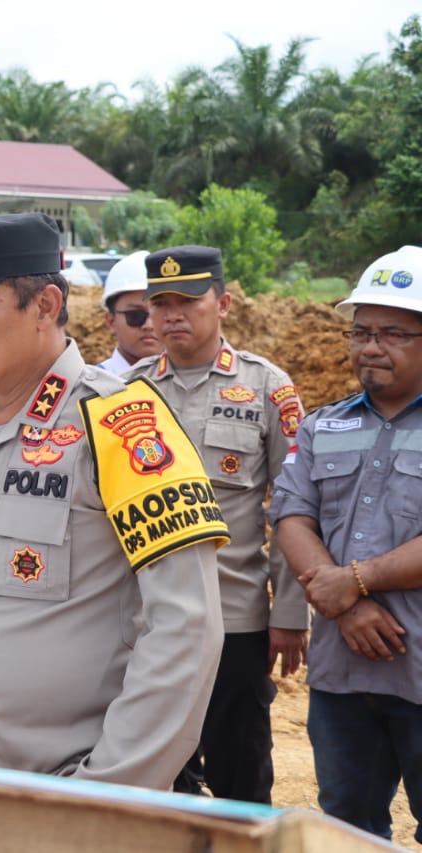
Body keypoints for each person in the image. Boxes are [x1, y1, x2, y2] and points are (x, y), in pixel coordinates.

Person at [0, 213, 226, 789]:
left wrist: (111, 787)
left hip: (72, 789)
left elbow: (187, 627)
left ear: (45, 305)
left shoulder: (121, 423)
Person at [128, 245, 309, 803]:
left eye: (188, 301)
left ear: (224, 303)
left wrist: (288, 613)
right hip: (144, 617)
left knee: (240, 765)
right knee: (152, 766)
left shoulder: (266, 387)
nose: (172, 315)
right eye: (160, 303)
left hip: (233, 614)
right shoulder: (127, 392)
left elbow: (294, 505)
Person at [272, 245, 422, 842]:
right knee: (346, 829)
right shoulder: (323, 425)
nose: (370, 347)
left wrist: (356, 580)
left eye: (393, 333)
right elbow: (291, 515)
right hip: (342, 676)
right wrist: (347, 603)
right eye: (361, 332)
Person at [96, 250, 161, 374]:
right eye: (135, 316)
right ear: (111, 322)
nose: (149, 325)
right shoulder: (91, 390)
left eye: (157, 315)